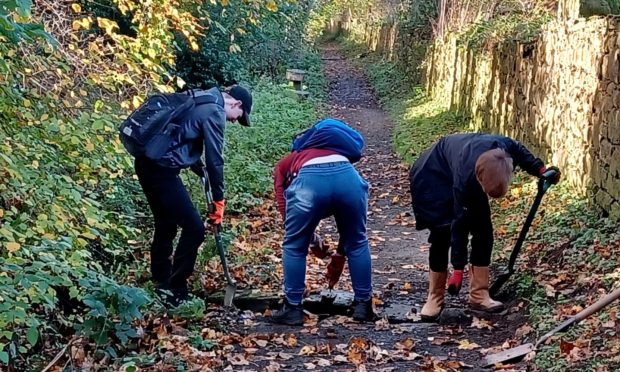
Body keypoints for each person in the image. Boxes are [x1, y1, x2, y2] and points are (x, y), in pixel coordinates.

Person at [409, 133, 560, 321]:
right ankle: (434, 297)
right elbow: (459, 225)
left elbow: (519, 150)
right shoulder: (465, 178)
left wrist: (541, 169)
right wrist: (458, 269)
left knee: (483, 230)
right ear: (480, 180)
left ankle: (479, 295)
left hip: (467, 171)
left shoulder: (501, 149)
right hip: (432, 176)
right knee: (443, 233)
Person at [135, 85, 253, 306]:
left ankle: (161, 282)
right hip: (162, 170)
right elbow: (215, 160)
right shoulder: (214, 111)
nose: (235, 121)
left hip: (146, 163)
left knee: (166, 224)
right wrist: (219, 200)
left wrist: (196, 165)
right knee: (194, 228)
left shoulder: (201, 97)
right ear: (236, 104)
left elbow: (181, 134)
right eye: (239, 116)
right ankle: (176, 289)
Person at [270, 118, 374, 325]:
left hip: (310, 183)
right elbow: (349, 229)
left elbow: (284, 201)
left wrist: (300, 234)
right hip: (349, 181)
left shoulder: (291, 159)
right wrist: (340, 253)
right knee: (358, 242)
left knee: (294, 246)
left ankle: (293, 308)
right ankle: (363, 306)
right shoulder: (342, 156)